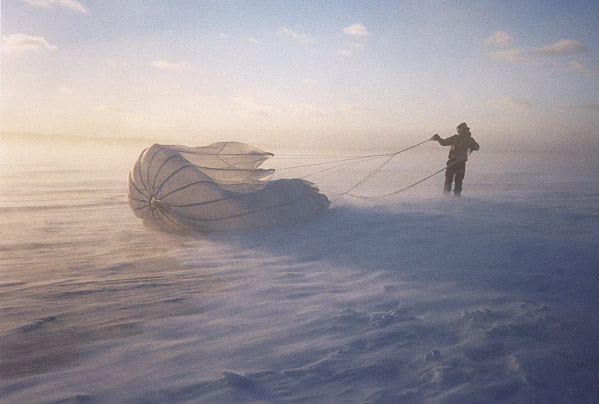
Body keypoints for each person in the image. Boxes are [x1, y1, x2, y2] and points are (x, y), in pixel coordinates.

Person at [432, 122, 479, 196]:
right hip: (452, 162)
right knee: (449, 180)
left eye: (460, 130)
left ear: (463, 130)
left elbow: (477, 147)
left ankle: (456, 198)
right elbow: (444, 143)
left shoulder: (469, 139)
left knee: (458, 181)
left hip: (460, 163)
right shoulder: (455, 138)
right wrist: (438, 138)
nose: (459, 131)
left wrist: (472, 147)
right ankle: (446, 196)